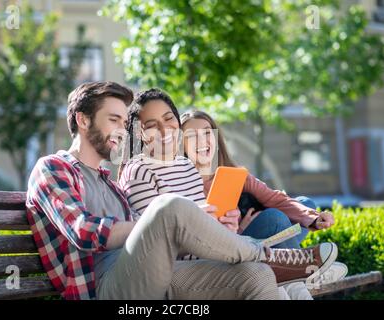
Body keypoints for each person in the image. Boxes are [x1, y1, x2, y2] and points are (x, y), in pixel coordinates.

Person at [117, 87, 339, 299]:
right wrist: (225, 230)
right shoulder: (140, 170)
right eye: (152, 124)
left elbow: (210, 227)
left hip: (214, 252)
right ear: (139, 132)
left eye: (168, 118)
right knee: (267, 248)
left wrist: (225, 227)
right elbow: (157, 241)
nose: (164, 130)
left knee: (296, 215)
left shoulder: (186, 168)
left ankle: (292, 271)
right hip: (180, 268)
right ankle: (294, 268)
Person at [180, 109, 348, 286]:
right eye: (192, 136)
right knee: (274, 218)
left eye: (207, 132)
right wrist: (240, 231)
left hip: (254, 241)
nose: (202, 141)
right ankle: (307, 272)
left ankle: (292, 270)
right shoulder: (181, 183)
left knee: (305, 203)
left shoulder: (234, 174)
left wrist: (313, 217)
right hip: (223, 254)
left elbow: (275, 198)